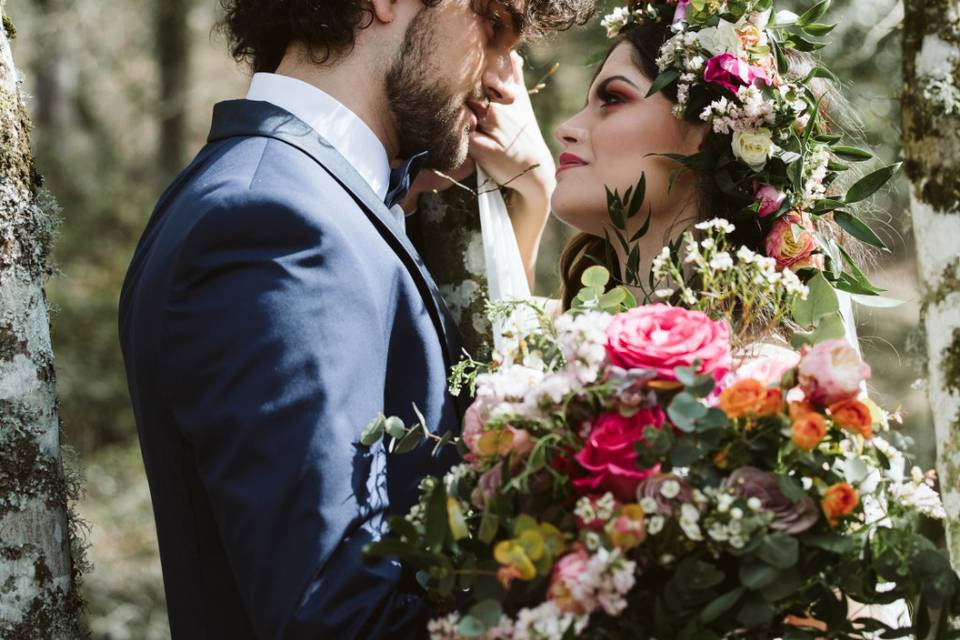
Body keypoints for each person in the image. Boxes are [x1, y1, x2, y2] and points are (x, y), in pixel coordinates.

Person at [117, 0, 593, 637]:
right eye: (494, 26)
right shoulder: (273, 224)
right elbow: (337, 616)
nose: (504, 75)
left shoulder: (301, 198)